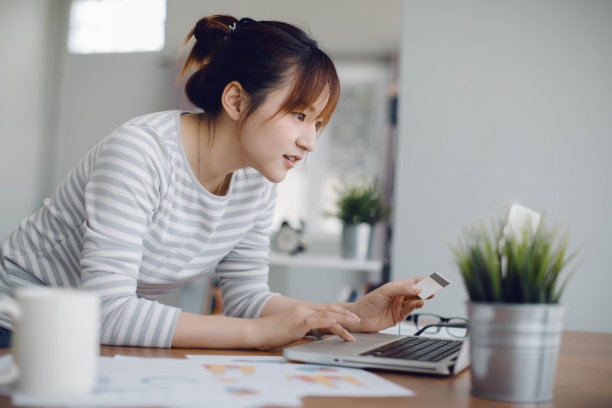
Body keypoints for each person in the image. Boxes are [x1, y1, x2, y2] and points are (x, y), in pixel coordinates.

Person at [0, 15, 425, 350]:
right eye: (299, 115)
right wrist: (260, 334)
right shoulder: (140, 153)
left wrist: (350, 314)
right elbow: (107, 312)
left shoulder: (257, 181)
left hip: (78, 336)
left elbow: (247, 298)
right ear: (236, 100)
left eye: (318, 122)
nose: (309, 141)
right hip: (13, 324)